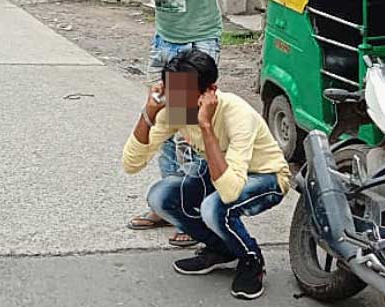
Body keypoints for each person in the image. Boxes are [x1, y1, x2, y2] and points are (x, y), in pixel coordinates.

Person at [112, 0, 223, 247]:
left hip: (197, 42)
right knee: (163, 123)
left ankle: (191, 212)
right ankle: (168, 205)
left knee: (189, 130)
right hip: (165, 40)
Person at [121, 50, 291, 300]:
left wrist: (206, 125)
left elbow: (231, 191)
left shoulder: (236, 112)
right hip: (220, 171)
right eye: (171, 92)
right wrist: (149, 112)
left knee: (214, 207)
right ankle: (221, 249)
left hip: (266, 177)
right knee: (160, 197)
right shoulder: (179, 107)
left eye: (185, 96)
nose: (177, 102)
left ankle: (251, 259)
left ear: (210, 90)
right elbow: (131, 163)